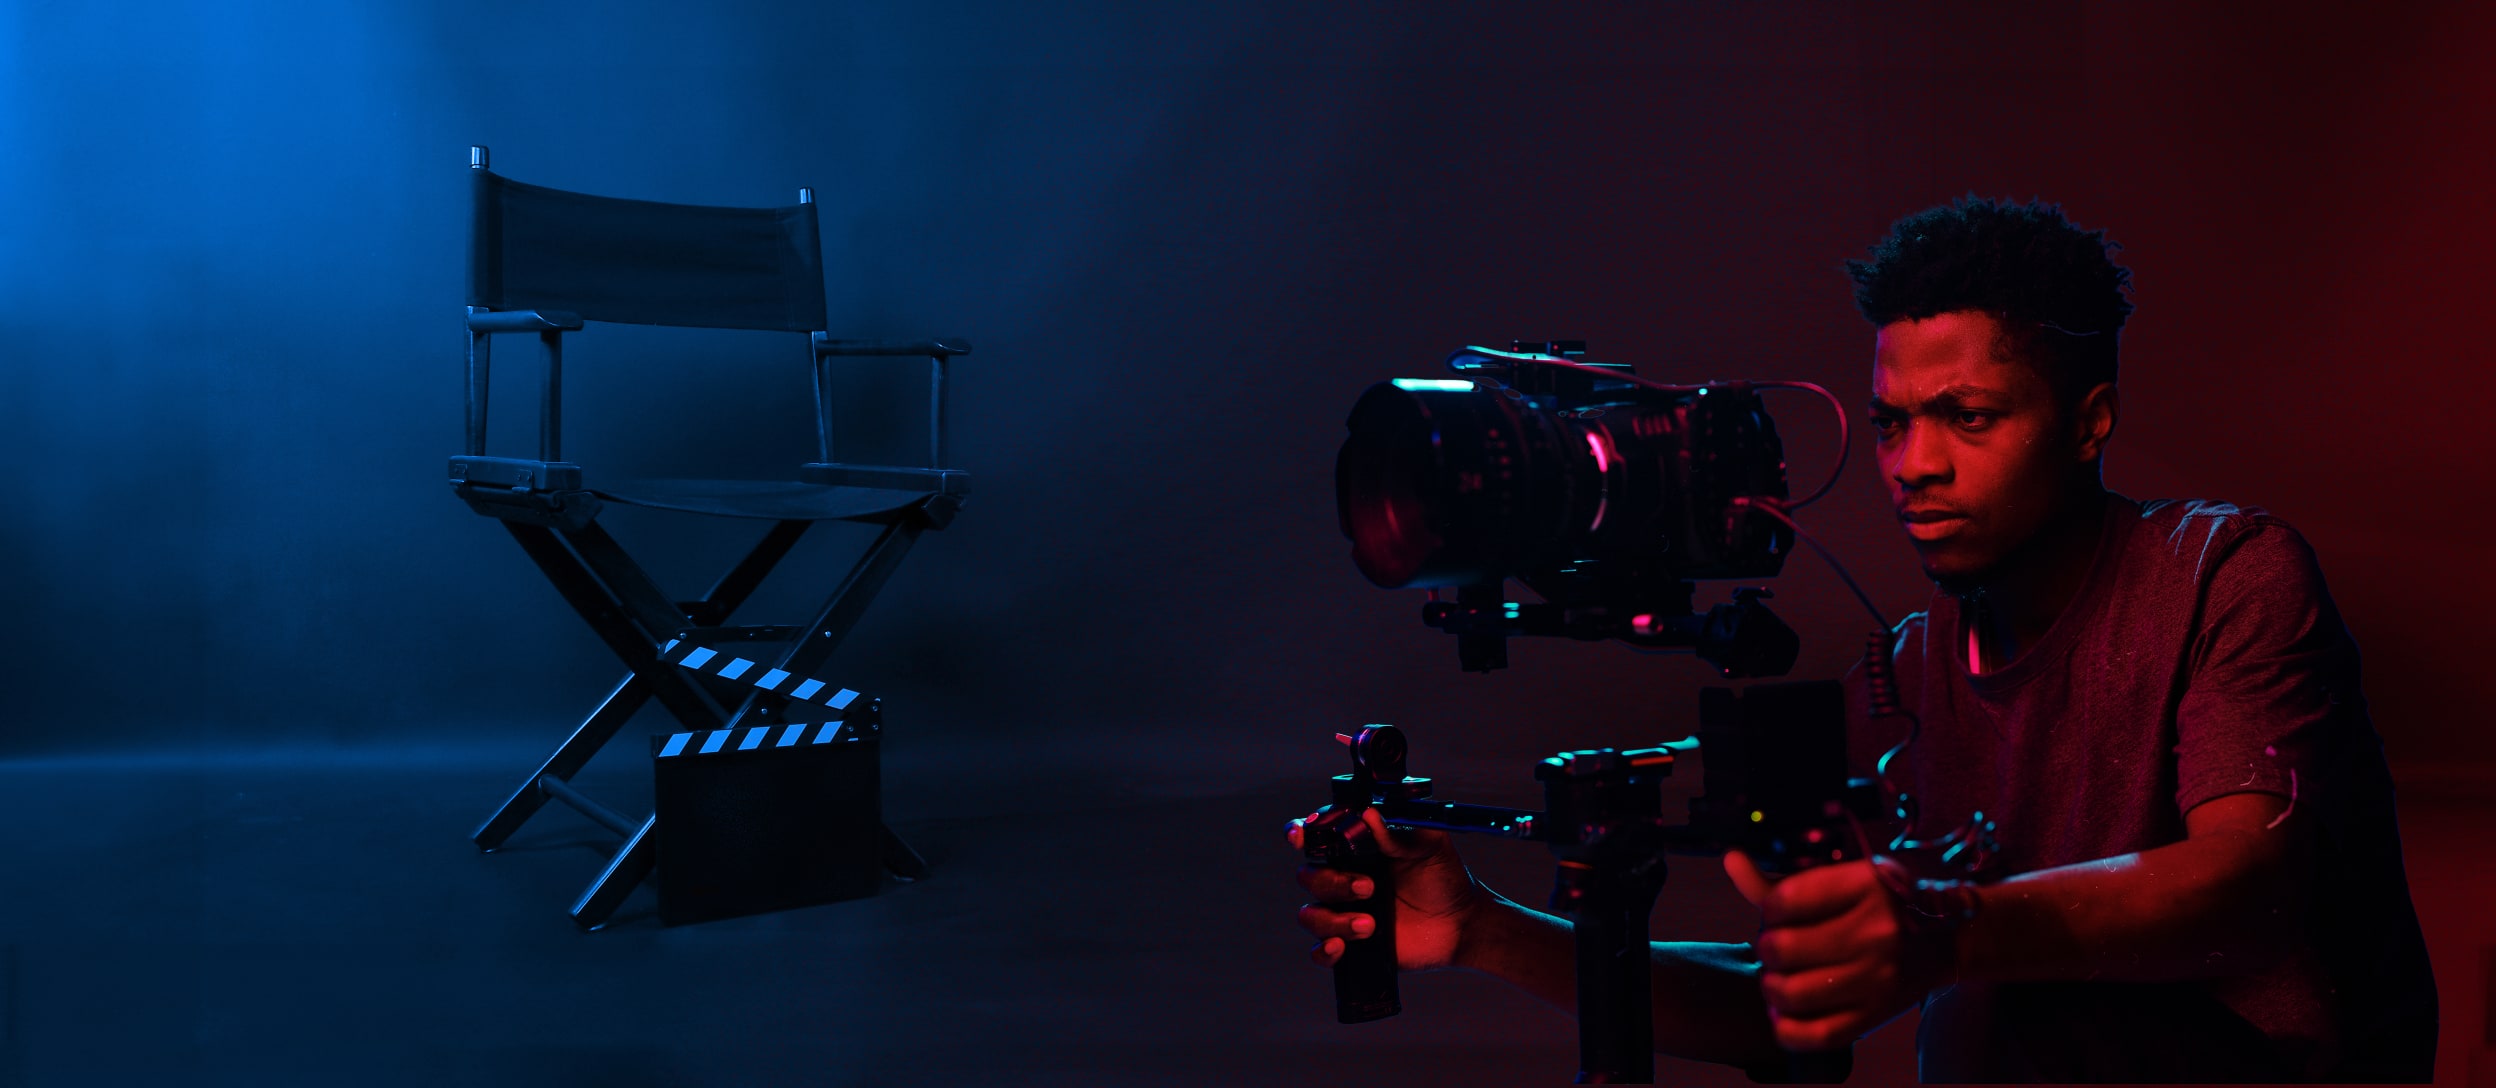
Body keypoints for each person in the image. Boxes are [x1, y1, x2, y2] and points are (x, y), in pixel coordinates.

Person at [1290, 196, 2438, 1082]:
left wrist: (1942, 929)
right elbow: (1792, 996)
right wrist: (1489, 928)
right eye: (1891, 422)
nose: (1913, 463)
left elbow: (2247, 885)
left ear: (2091, 419)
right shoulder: (1910, 673)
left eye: (1968, 416)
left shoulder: (2223, 572)